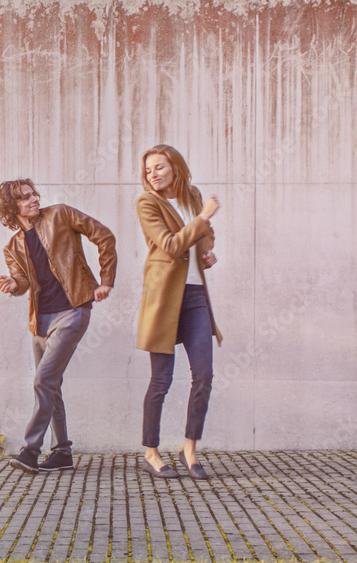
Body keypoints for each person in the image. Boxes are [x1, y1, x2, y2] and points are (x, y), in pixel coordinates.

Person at [0, 179, 117, 474]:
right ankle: (62, 452)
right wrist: (14, 284)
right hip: (41, 320)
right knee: (51, 384)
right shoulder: (13, 246)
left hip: (72, 310)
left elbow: (104, 236)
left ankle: (30, 450)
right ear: (13, 208)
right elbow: (23, 281)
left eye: (33, 194)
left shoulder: (61, 214)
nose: (34, 199)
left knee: (43, 381)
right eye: (24, 198)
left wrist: (105, 281)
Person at [135, 144, 222, 480]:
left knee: (204, 375)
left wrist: (208, 252)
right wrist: (202, 219)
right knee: (162, 379)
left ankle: (190, 447)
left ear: (175, 167)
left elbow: (205, 236)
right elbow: (170, 245)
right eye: (148, 170)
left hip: (196, 295)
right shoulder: (147, 202)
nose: (152, 175)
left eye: (158, 167)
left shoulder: (193, 195)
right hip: (164, 298)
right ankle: (151, 451)